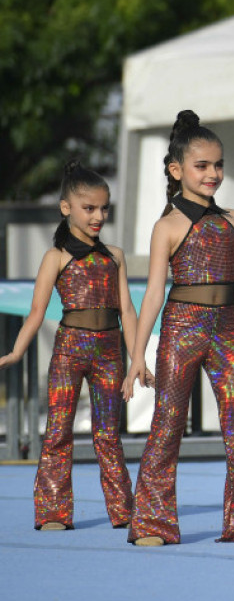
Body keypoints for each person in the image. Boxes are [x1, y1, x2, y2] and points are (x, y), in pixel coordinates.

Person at [123, 110, 234, 546]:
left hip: (227, 330)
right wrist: (136, 357)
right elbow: (152, 296)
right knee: (167, 426)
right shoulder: (166, 226)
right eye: (202, 166)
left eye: (218, 165)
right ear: (176, 170)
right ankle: (151, 524)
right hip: (182, 329)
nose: (213, 173)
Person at [0, 162, 136, 531]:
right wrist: (16, 351)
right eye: (89, 208)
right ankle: (53, 512)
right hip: (69, 350)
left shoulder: (115, 256)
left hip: (109, 351)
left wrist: (137, 359)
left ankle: (124, 510)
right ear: (66, 208)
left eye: (104, 208)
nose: (98, 216)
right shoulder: (56, 257)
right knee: (58, 431)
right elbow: (35, 313)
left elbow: (127, 309)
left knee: (108, 434)